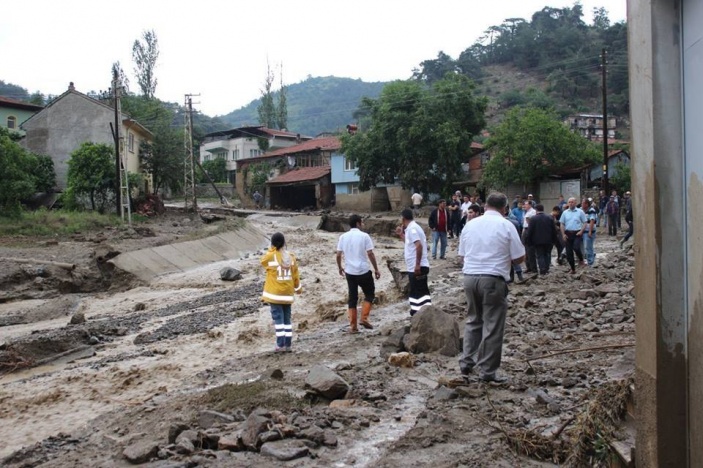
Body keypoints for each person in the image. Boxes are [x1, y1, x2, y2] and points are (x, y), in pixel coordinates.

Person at [458, 192, 525, 383]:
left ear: (485, 206)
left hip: (470, 278)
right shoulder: (506, 225)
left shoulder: (470, 225)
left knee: (473, 320)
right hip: (493, 278)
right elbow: (519, 257)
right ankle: (487, 371)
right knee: (493, 325)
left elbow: (462, 256)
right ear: (504, 208)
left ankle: (466, 363)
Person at [336, 215, 381, 333]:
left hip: (349, 272)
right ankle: (364, 318)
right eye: (362, 222)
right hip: (363, 271)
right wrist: (376, 269)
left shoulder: (343, 237)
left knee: (352, 298)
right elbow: (370, 253)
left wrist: (340, 267)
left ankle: (353, 327)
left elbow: (338, 255)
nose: (363, 224)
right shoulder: (365, 236)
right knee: (370, 294)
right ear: (357, 223)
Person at [260, 232, 301, 352]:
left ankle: (280, 344)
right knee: (287, 320)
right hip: (287, 295)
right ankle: (288, 345)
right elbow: (295, 275)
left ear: (272, 244)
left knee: (279, 321)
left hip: (275, 295)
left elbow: (262, 261)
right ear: (284, 243)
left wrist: (272, 249)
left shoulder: (270, 256)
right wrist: (298, 289)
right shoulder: (291, 257)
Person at [397, 209, 431, 316]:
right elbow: (410, 244)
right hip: (414, 266)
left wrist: (417, 264)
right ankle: (421, 312)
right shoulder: (412, 229)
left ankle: (420, 313)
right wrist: (401, 235)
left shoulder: (412, 229)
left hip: (417, 267)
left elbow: (418, 246)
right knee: (418, 290)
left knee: (418, 291)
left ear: (403, 218)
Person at [524, 204, 558, 276]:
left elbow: (530, 231)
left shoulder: (533, 219)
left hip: (537, 241)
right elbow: (554, 230)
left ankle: (542, 269)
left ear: (536, 210)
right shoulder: (549, 218)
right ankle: (547, 268)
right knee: (547, 254)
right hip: (548, 240)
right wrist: (554, 240)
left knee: (540, 255)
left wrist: (528, 240)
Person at [559, 197, 587, 274]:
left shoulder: (580, 212)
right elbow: (562, 223)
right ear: (568, 203)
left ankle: (581, 259)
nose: (571, 203)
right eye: (569, 202)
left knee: (576, 247)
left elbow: (585, 222)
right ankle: (573, 269)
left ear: (575, 203)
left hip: (577, 233)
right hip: (568, 233)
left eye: (572, 202)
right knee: (569, 253)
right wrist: (563, 234)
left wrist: (581, 231)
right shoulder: (565, 213)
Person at [582, 199, 598, 266]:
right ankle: (590, 257)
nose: (582, 204)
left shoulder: (591, 210)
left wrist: (590, 231)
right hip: (583, 231)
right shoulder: (581, 210)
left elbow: (592, 221)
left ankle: (591, 262)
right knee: (586, 247)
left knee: (588, 247)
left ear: (586, 204)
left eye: (583, 203)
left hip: (588, 231)